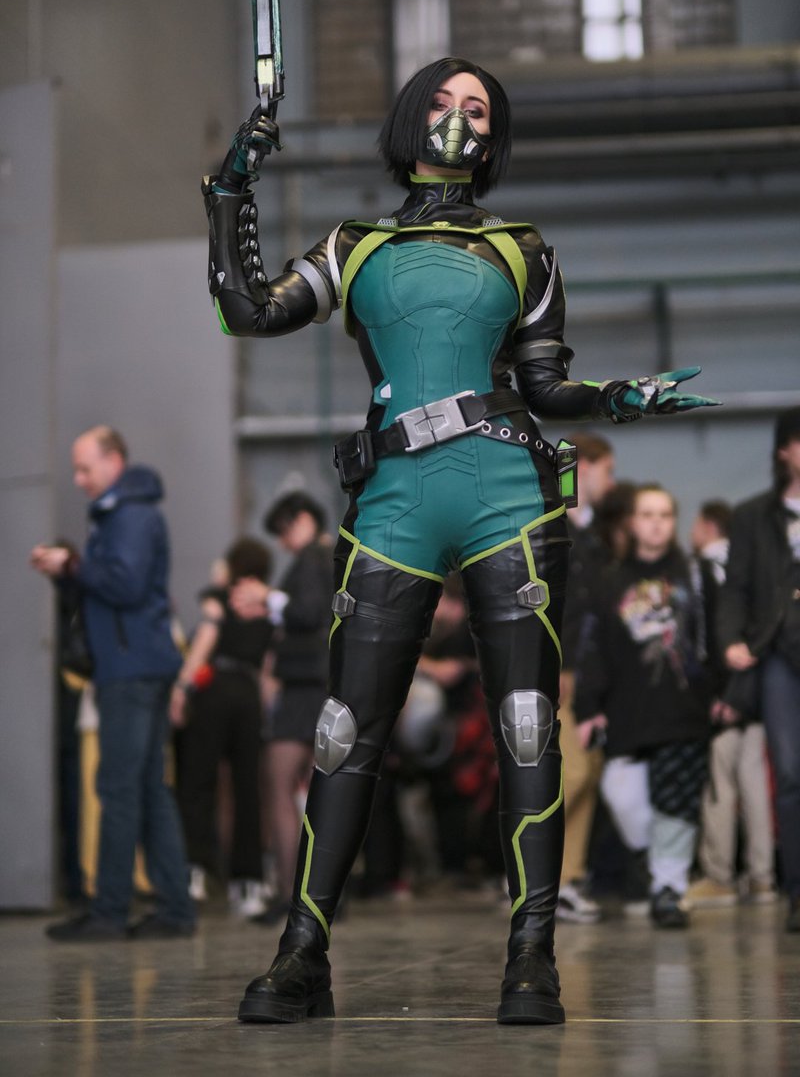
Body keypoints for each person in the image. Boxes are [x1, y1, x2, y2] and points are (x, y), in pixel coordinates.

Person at [202, 56, 716, 1025]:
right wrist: (231, 188)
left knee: (526, 722)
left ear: (493, 138)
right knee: (343, 729)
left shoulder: (523, 249)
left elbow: (544, 383)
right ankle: (301, 954)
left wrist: (619, 397)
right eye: (442, 100)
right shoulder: (352, 244)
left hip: (507, 494)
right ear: (410, 116)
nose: (457, 118)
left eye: (477, 108)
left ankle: (531, 959)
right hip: (393, 497)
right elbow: (248, 312)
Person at [30, 426, 195, 940]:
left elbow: (126, 584)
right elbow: (111, 589)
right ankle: (174, 909)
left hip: (130, 670)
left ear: (113, 461)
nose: (78, 479)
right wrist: (67, 573)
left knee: (119, 787)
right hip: (137, 664)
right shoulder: (118, 513)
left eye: (85, 468)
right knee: (147, 788)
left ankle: (109, 911)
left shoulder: (130, 515)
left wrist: (74, 564)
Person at [574, 484, 711, 929]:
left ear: (674, 522)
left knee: (676, 800)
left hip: (685, 708)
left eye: (665, 515)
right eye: (647, 514)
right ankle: (659, 866)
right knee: (622, 795)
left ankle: (669, 890)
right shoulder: (609, 579)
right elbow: (593, 647)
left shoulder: (695, 575)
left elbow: (714, 635)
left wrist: (725, 695)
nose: (656, 523)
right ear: (633, 522)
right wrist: (588, 706)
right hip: (627, 710)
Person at [717, 407, 800, 933]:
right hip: (777, 656)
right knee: (789, 774)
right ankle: (797, 891)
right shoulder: (752, 515)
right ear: (784, 451)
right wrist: (730, 640)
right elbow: (735, 588)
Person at [233, 493, 332, 925]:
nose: (283, 541)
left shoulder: (314, 557)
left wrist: (268, 598)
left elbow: (308, 612)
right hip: (317, 684)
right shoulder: (324, 556)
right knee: (318, 791)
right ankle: (316, 893)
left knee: (278, 781)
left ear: (303, 519)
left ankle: (293, 892)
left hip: (306, 686)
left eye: (284, 529)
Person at [170, 537, 275, 916]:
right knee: (248, 789)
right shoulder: (268, 604)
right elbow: (269, 664)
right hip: (248, 693)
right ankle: (248, 884)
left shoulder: (219, 596)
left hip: (214, 690)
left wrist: (181, 688)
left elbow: (207, 637)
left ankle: (194, 873)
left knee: (199, 782)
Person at [687, 501, 776, 910]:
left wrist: (721, 695)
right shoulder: (756, 569)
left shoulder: (703, 569)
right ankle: (762, 878)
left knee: (720, 787)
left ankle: (719, 875)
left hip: (724, 696)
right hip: (758, 691)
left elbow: (706, 639)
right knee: (754, 784)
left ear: (708, 526)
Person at [556, 432, 616, 924]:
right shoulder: (548, 527)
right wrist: (555, 665)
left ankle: (567, 880)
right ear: (585, 467)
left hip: (591, 675)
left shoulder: (596, 537)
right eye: (608, 471)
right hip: (557, 673)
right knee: (569, 773)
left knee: (589, 774)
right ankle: (532, 875)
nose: (611, 482)